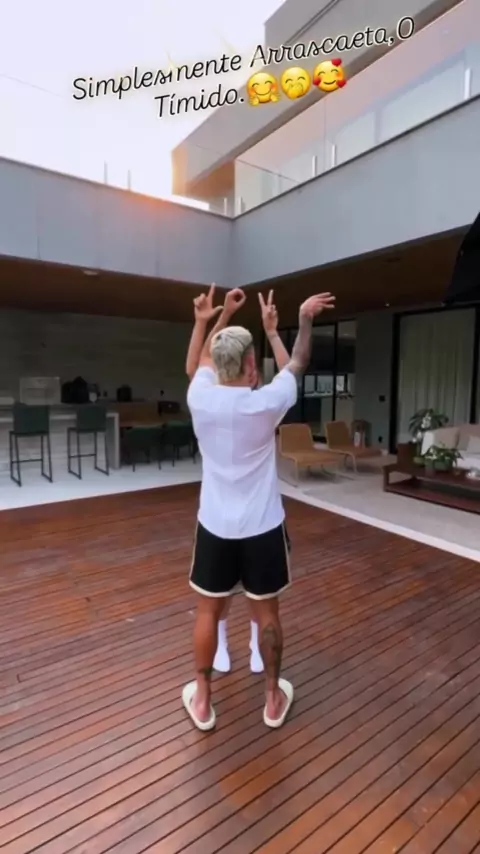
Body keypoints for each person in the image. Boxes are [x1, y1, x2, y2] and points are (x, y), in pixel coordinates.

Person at [183, 284, 335, 731]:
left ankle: (203, 702)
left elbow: (200, 362)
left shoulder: (200, 398)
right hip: (262, 527)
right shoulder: (266, 404)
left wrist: (214, 318)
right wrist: (293, 323)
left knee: (208, 611)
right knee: (267, 613)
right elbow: (297, 362)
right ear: (252, 368)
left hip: (215, 526)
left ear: (218, 367)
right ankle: (271, 699)